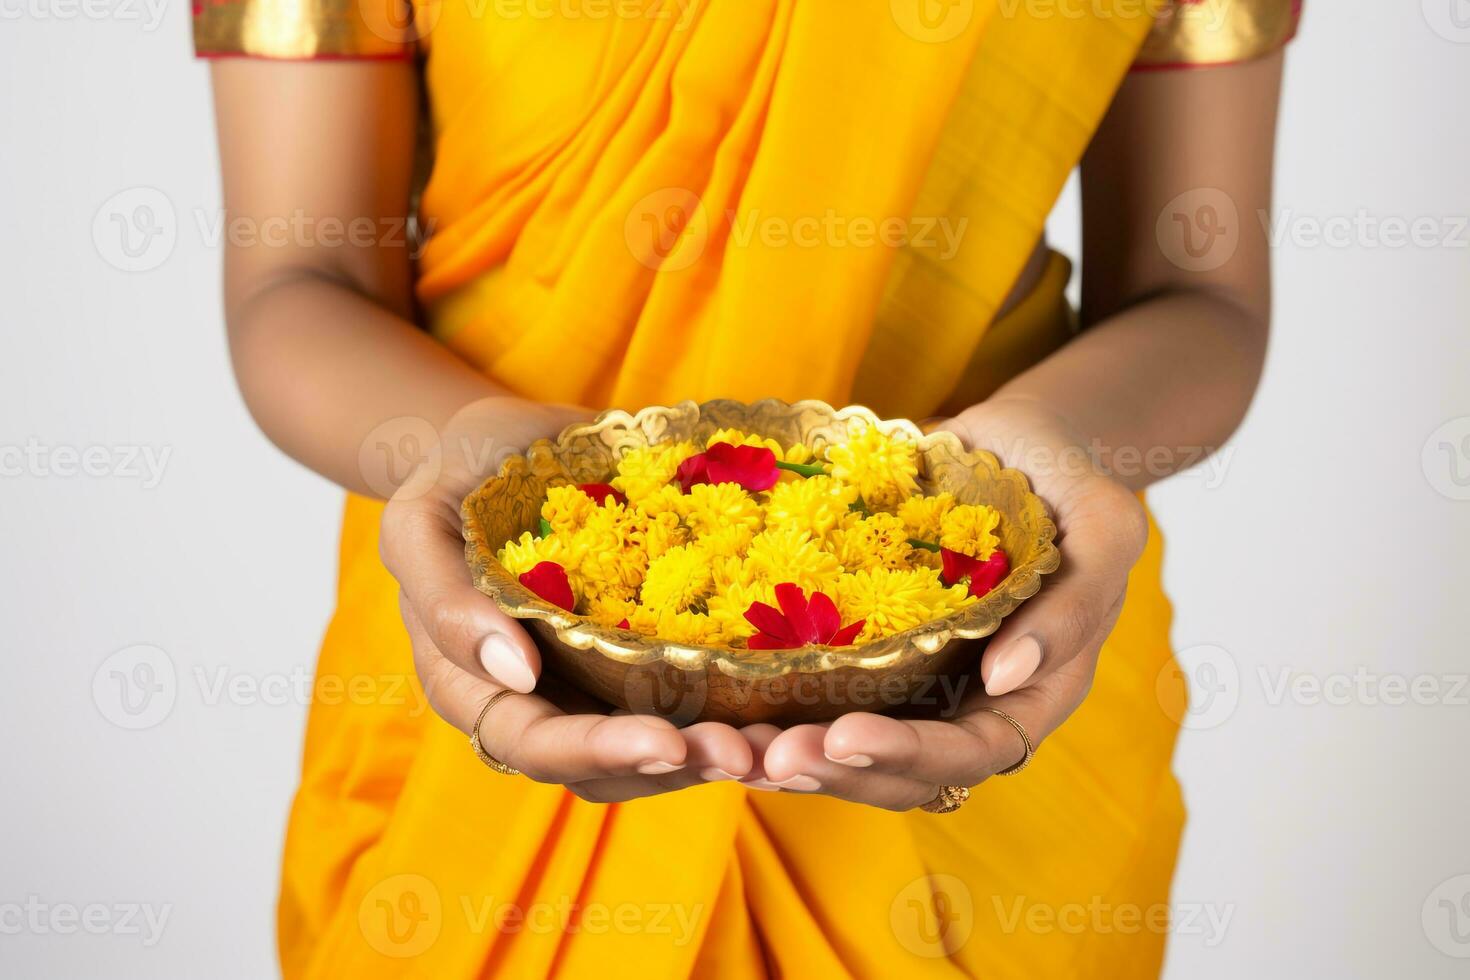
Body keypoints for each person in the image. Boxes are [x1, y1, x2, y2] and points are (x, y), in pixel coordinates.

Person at [196, 0, 1301, 974]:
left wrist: (1048, 452)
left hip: (988, 632)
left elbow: (1195, 289)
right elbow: (305, 274)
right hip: (495, 610)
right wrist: (480, 463)